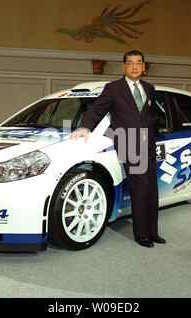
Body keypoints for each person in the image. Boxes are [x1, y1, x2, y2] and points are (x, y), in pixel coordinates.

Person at [69, 50, 166, 248]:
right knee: (140, 188)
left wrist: (156, 132)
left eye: (138, 63)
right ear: (124, 67)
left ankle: (153, 231)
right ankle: (141, 235)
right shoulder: (113, 88)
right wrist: (84, 127)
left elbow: (152, 113)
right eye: (130, 63)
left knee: (151, 188)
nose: (134, 66)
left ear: (144, 67)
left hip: (148, 143)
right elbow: (96, 109)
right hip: (128, 142)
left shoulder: (149, 88)